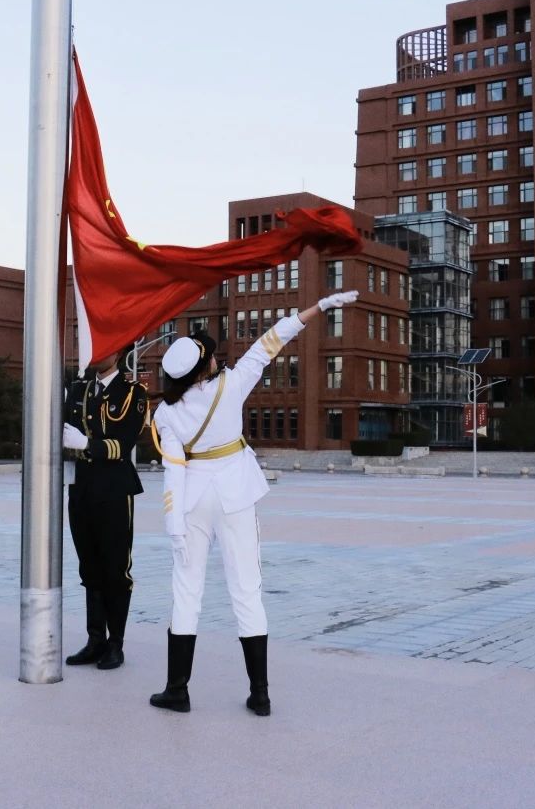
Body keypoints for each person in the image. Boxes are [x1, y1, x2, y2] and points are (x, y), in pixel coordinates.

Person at [148, 289, 359, 715]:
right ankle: (260, 694)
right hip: (235, 494)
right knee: (247, 591)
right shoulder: (231, 384)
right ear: (205, 365)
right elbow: (270, 341)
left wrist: (173, 526)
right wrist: (319, 307)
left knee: (186, 592)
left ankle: (177, 690)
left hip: (192, 499)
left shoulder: (165, 413)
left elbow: (173, 469)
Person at [61, 350, 148, 670]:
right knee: (89, 567)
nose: (98, 353)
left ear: (120, 352)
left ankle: (115, 644)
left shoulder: (133, 393)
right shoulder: (79, 389)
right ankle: (95, 640)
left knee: (115, 569)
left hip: (113, 489)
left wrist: (87, 444)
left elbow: (123, 445)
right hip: (81, 487)